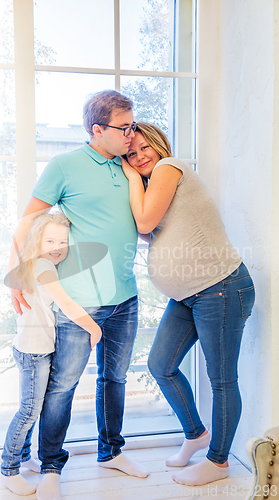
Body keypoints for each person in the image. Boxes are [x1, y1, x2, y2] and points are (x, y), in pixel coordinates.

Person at [9, 91, 150, 500]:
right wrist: (18, 273)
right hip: (79, 301)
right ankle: (51, 464)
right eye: (125, 128)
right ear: (98, 129)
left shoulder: (127, 166)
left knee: (115, 379)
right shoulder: (65, 166)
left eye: (133, 126)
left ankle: (111, 452)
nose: (131, 135)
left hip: (125, 296)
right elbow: (28, 221)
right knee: (63, 386)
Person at [121, 122, 255, 486]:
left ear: (159, 144)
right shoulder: (153, 185)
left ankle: (218, 462)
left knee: (222, 380)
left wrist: (132, 177)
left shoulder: (168, 168)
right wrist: (137, 182)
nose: (139, 156)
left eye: (144, 147)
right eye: (131, 154)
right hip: (188, 296)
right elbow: (146, 230)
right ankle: (196, 434)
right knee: (161, 365)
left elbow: (145, 221)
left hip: (221, 288)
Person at [1, 212, 102, 496]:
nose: (57, 246)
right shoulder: (44, 266)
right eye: (50, 240)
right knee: (29, 411)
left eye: (63, 241)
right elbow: (66, 303)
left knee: (34, 408)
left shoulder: (36, 264)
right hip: (33, 352)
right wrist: (93, 327)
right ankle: (8, 470)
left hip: (35, 348)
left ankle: (22, 457)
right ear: (37, 240)